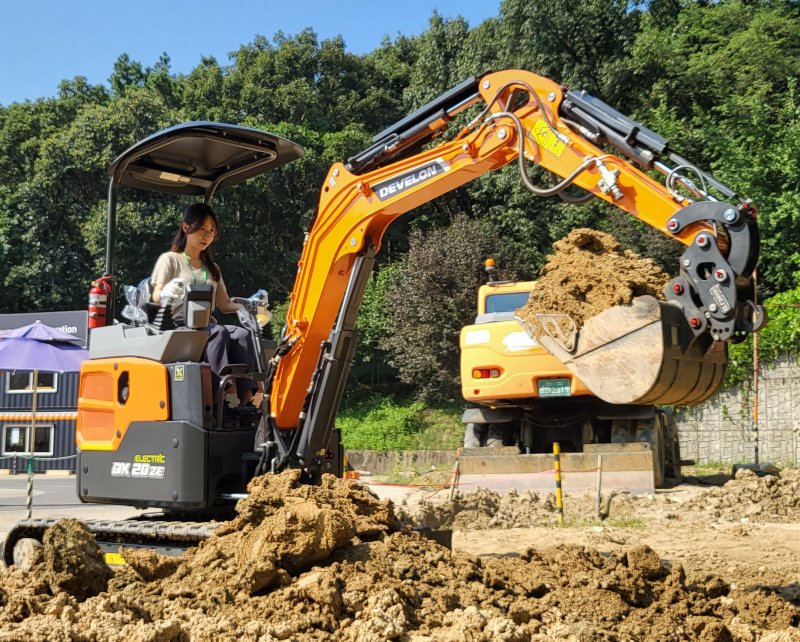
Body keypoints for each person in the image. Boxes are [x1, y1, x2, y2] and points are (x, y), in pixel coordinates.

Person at [151, 203, 258, 405]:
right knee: (219, 332)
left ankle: (247, 400)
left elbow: (225, 304)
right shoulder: (171, 260)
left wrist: (247, 305)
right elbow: (156, 296)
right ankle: (220, 395)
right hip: (179, 324)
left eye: (211, 231)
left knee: (242, 334)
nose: (206, 236)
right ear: (186, 228)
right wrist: (166, 293)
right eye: (201, 229)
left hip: (208, 324)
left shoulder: (212, 268)